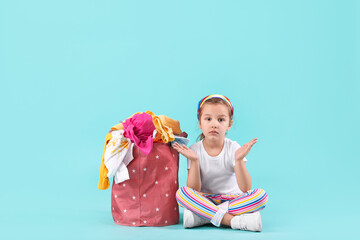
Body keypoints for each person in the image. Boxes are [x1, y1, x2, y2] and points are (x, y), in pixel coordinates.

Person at [173, 94, 268, 231]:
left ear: (229, 124)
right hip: (206, 199)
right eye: (208, 119)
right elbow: (194, 189)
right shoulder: (194, 150)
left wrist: (239, 160)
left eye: (221, 119)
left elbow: (245, 188)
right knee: (181, 193)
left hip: (232, 200)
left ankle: (204, 216)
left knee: (261, 196)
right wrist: (194, 161)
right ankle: (231, 221)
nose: (214, 124)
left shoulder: (234, 148)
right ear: (200, 123)